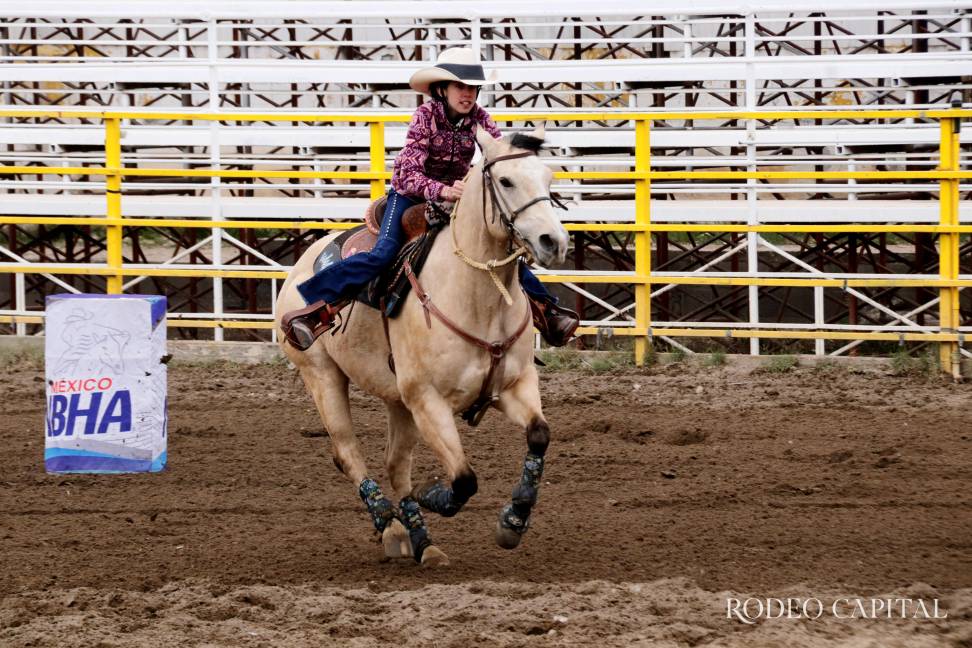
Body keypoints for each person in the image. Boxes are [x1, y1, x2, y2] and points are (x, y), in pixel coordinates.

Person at [281, 47, 579, 351]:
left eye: (473, 88)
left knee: (497, 247)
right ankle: (316, 304)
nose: (468, 94)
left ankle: (546, 310)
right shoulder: (425, 116)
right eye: (460, 87)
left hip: (452, 202)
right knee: (382, 254)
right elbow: (407, 174)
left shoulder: (480, 119)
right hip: (408, 197)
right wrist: (444, 190)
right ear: (442, 89)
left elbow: (498, 153)